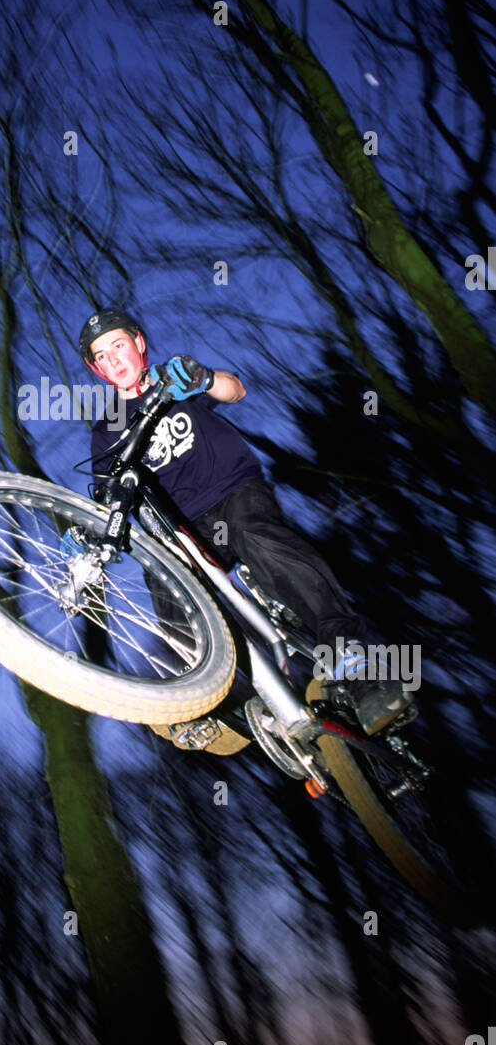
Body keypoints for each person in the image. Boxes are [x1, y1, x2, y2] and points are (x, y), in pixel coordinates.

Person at [78, 306, 410, 736]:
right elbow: (108, 495)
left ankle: (349, 658)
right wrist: (86, 533)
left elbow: (235, 390)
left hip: (234, 492)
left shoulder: (171, 378)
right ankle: (203, 698)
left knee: (255, 533)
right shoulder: (107, 429)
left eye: (118, 345)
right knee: (162, 576)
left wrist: (202, 378)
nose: (113, 360)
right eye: (101, 356)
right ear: (96, 368)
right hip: (185, 530)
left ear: (139, 343)